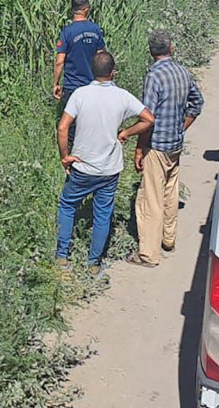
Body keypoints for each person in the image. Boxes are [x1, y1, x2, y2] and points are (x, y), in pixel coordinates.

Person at [56, 51, 155, 276]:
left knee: (68, 205)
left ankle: (62, 256)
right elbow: (149, 119)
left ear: (93, 71)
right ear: (113, 72)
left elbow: (63, 128)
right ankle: (94, 264)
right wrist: (127, 132)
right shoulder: (123, 96)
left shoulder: (80, 94)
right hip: (109, 168)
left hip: (82, 164)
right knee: (102, 214)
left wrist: (65, 156)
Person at [127, 30, 204, 268]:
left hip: (157, 145)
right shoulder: (182, 72)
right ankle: (168, 239)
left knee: (150, 198)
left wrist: (139, 149)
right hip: (175, 144)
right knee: (170, 191)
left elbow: (147, 118)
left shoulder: (154, 77)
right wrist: (182, 127)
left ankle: (148, 254)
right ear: (170, 48)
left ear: (151, 52)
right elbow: (197, 102)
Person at [53, 0, 105, 144]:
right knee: (91, 123)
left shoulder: (67, 31)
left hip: (72, 86)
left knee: (71, 125)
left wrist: (55, 83)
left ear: (72, 10)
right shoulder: (95, 29)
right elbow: (101, 56)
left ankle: (70, 156)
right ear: (86, 10)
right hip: (92, 84)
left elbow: (59, 61)